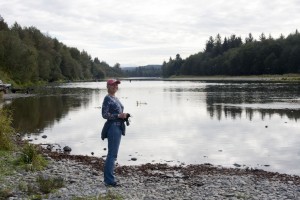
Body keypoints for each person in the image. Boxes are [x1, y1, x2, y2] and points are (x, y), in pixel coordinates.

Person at [101, 79, 128, 187]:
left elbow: (117, 112)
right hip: (113, 128)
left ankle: (109, 178)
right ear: (108, 86)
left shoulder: (115, 98)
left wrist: (124, 115)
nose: (115, 86)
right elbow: (104, 115)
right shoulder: (107, 98)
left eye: (116, 85)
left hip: (118, 127)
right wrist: (118, 116)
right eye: (113, 85)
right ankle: (109, 180)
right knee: (112, 154)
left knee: (113, 154)